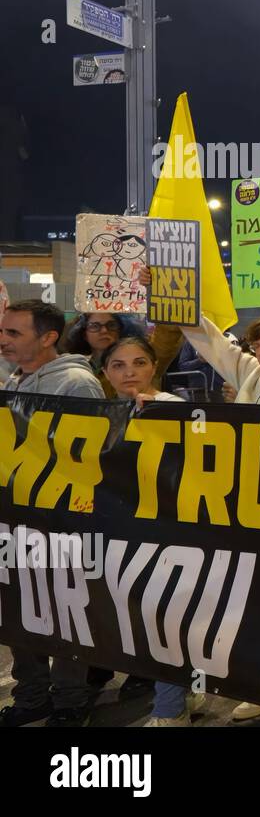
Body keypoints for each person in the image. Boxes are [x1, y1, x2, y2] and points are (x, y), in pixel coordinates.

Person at [0, 300, 102, 726]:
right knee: (21, 611)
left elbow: (95, 457)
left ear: (48, 338)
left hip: (62, 523)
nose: (3, 341)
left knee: (63, 614)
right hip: (19, 519)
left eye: (13, 334)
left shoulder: (77, 383)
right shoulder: (16, 379)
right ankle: (32, 696)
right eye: (3, 332)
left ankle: (69, 699)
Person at [97, 336, 206, 726]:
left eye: (139, 363)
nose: (130, 372)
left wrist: (158, 420)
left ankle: (169, 710)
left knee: (162, 619)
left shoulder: (176, 408)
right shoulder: (99, 412)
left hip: (171, 533)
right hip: (121, 533)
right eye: (120, 365)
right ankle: (186, 696)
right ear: (105, 373)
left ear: (153, 367)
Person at [63, 311, 182, 398]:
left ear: (121, 329)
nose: (104, 331)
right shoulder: (77, 368)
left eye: (111, 325)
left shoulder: (145, 355)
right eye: (95, 326)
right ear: (84, 333)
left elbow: (167, 336)